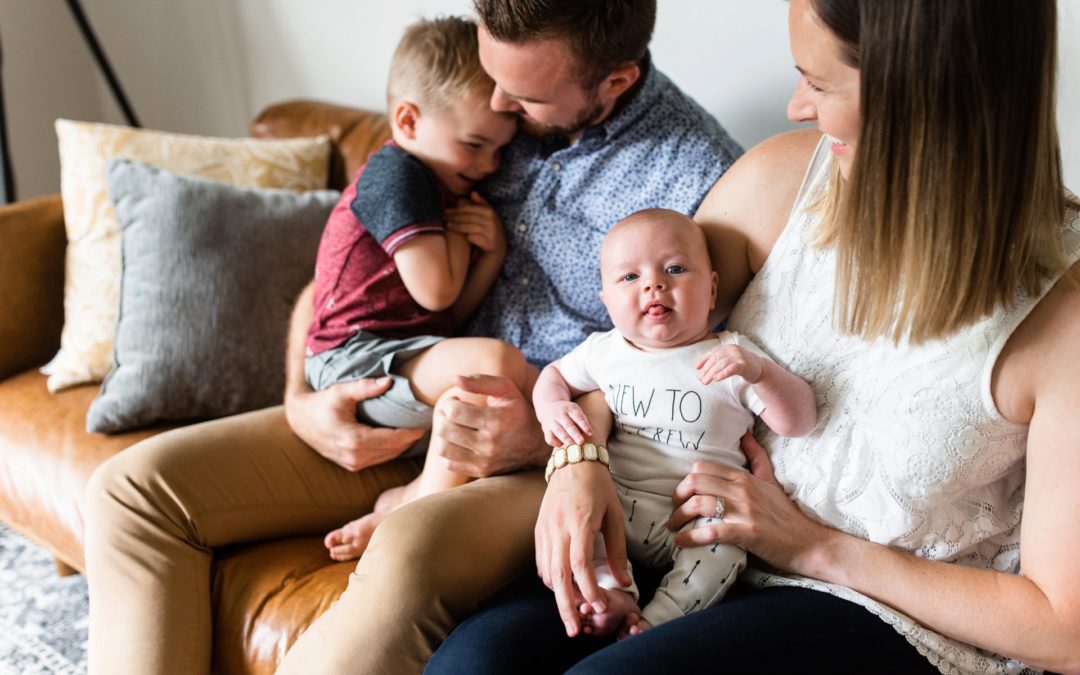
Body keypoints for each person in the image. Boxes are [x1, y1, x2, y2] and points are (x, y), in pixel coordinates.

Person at [81, 0, 742, 673]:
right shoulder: (464, 120)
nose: (501, 105)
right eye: (493, 78)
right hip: (398, 397)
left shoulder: (696, 177)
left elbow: (683, 379)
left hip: (532, 456)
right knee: (132, 492)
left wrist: (554, 443)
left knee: (406, 550)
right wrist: (299, 396)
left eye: (525, 96)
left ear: (616, 82)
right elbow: (337, 280)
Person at [427, 0, 1080, 673]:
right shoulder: (780, 181)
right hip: (684, 537)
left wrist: (811, 545)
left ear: (927, 94)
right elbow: (640, 344)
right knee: (474, 662)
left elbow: (1067, 628)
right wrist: (577, 462)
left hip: (878, 614)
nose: (797, 106)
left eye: (820, 84)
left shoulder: (1064, 316)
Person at [303, 16, 534, 562]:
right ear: (407, 120)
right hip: (351, 362)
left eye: (499, 151)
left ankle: (421, 492)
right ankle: (409, 502)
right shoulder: (399, 178)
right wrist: (461, 237)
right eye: (475, 145)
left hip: (400, 354)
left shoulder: (436, 180)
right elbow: (435, 293)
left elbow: (446, 317)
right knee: (495, 365)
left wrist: (493, 253)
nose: (487, 167)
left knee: (494, 371)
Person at [532, 208, 817, 636]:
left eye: (675, 269)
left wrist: (761, 372)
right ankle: (612, 590)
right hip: (618, 503)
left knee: (727, 543)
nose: (653, 284)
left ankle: (660, 620)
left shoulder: (733, 355)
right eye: (629, 278)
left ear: (713, 286)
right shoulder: (605, 351)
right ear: (605, 299)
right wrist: (551, 407)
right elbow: (551, 377)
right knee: (583, 521)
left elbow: (799, 422)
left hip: (696, 514)